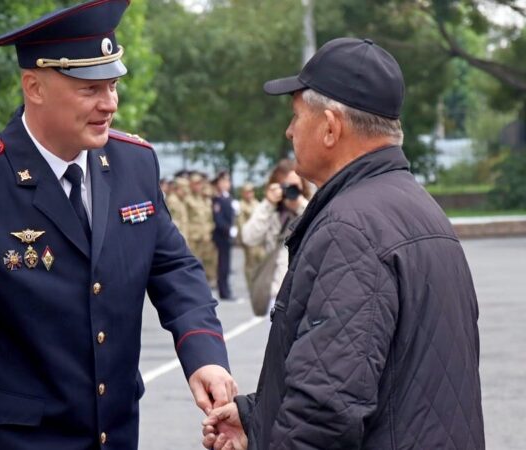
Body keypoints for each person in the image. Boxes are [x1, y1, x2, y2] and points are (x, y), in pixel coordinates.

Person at [0, 2, 235, 449]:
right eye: (90, 89)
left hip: (115, 434)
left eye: (113, 85)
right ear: (34, 86)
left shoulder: (134, 164)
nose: (109, 104)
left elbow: (173, 268)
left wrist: (203, 355)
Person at [203, 37, 484, 449]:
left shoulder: (351, 228)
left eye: (296, 116)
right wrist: (256, 420)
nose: (289, 130)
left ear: (331, 127)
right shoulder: (419, 208)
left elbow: (326, 408)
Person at [240, 160, 309, 313]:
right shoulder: (269, 211)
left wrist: (300, 205)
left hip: (305, 292)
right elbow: (248, 238)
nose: (290, 191)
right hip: (276, 293)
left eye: (295, 186)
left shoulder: (309, 208)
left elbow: (319, 228)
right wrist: (268, 204)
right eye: (286, 186)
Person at [235, 183, 265, 289]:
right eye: (247, 192)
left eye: (251, 192)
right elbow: (240, 223)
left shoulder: (257, 204)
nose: (249, 194)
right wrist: (243, 239)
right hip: (250, 239)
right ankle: (251, 285)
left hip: (260, 239)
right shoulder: (241, 206)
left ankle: (260, 284)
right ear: (243, 193)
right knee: (250, 265)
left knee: (262, 261)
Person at [212, 171, 235, 300]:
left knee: (226, 265)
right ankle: (223, 291)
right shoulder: (218, 199)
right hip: (221, 235)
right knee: (223, 265)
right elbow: (218, 219)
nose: (226, 184)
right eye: (223, 182)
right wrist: (228, 229)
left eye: (227, 182)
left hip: (227, 235)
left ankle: (226, 289)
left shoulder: (228, 198)